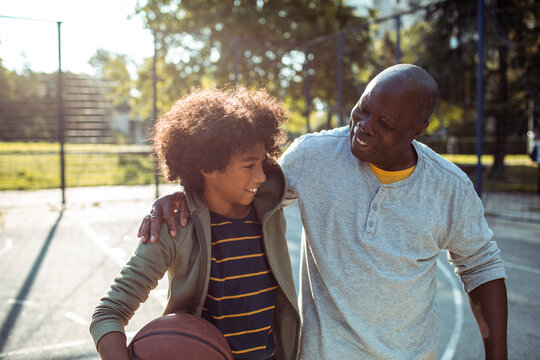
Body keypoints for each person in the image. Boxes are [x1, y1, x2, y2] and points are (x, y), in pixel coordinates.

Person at [139, 64, 508, 359]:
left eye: (385, 123)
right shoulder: (314, 156)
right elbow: (239, 186)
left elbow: (481, 265)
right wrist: (184, 192)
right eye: (364, 108)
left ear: (418, 129)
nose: (364, 126)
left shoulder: (449, 187)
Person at [90, 86, 301, 360]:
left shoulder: (269, 210)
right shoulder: (176, 226)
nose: (261, 176)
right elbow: (108, 313)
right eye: (249, 165)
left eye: (263, 162)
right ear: (208, 167)